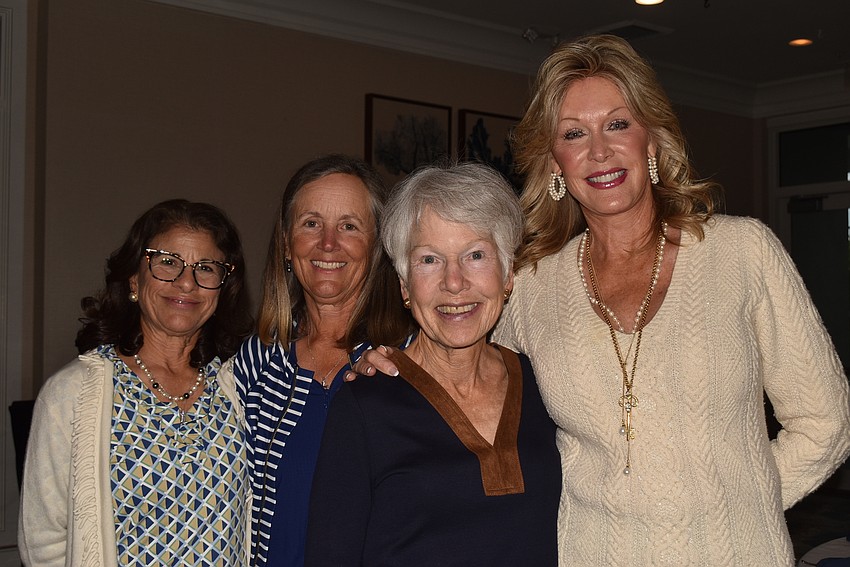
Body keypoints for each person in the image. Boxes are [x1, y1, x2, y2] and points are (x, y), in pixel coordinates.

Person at [353, 35, 850, 566]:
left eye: (618, 124)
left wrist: (741, 510)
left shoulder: (743, 252)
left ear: (652, 141)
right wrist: (393, 360)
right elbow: (467, 365)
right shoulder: (534, 284)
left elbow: (828, 423)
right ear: (554, 165)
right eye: (574, 134)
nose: (599, 151)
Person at [305, 162, 560, 566]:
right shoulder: (364, 404)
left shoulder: (544, 383)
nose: (454, 282)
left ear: (508, 274)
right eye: (429, 260)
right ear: (405, 285)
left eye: (475, 255)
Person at [19, 199, 254, 566]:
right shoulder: (72, 395)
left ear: (222, 288)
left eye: (206, 268)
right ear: (134, 279)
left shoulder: (241, 389)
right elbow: (44, 543)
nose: (186, 282)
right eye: (167, 262)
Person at [225, 154, 412, 567]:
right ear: (287, 244)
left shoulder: (409, 360)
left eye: (349, 226)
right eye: (311, 223)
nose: (328, 243)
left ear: (377, 248)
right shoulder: (254, 362)